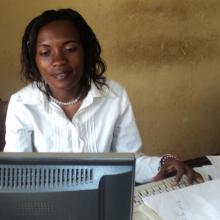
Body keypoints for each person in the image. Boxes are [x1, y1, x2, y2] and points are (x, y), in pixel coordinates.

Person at [4, 8, 203, 184]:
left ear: (86, 51)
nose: (58, 61)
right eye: (45, 53)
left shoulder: (114, 95)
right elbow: (16, 175)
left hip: (104, 197)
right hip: (46, 203)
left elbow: (130, 161)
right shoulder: (23, 104)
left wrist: (164, 162)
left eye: (70, 49)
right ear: (34, 60)